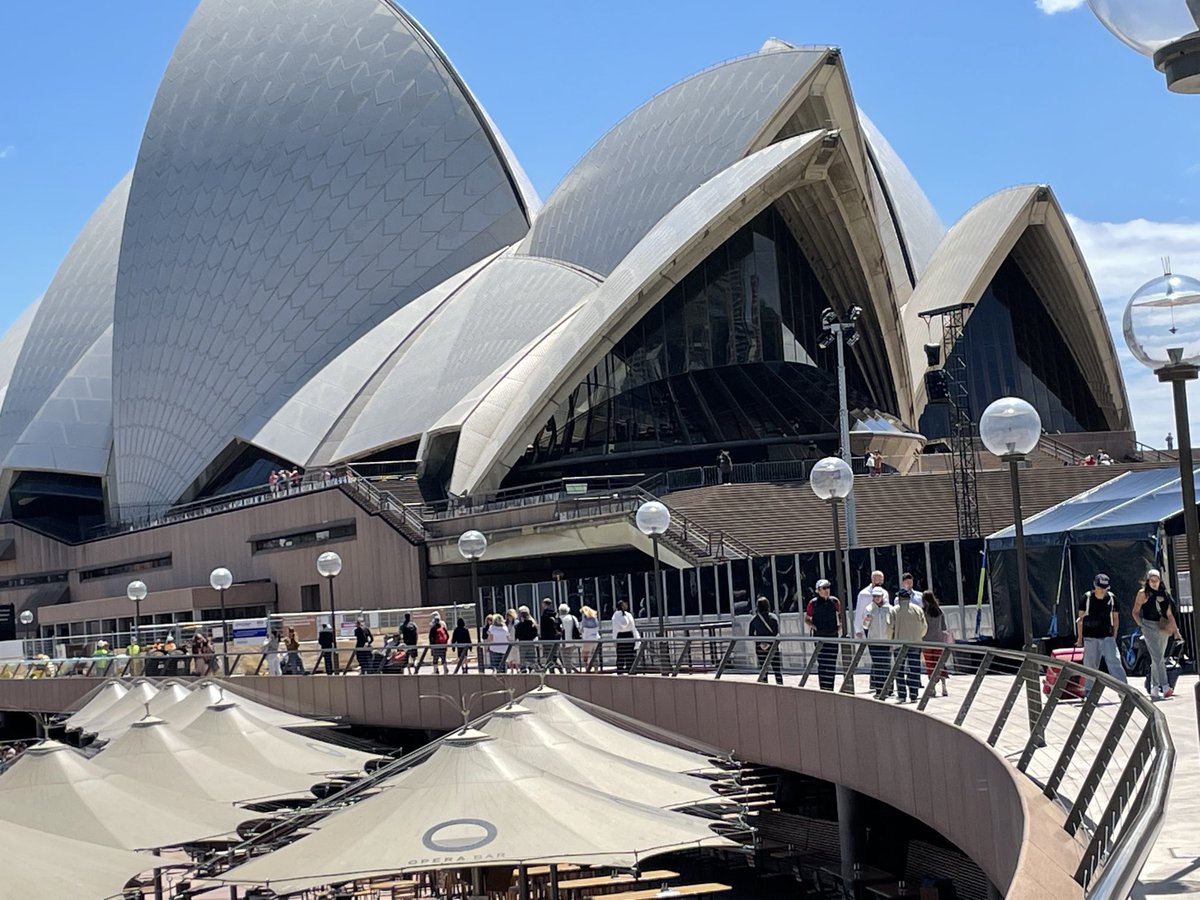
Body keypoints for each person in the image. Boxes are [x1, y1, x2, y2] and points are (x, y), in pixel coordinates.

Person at [1132, 569, 1179, 700]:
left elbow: (1169, 614)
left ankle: (1154, 687)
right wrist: (1142, 625)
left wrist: (1175, 630)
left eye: (1156, 580)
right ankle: (1165, 686)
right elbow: (1135, 611)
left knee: (1157, 658)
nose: (1154, 583)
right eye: (1151, 580)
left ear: (1160, 581)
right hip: (1148, 625)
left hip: (1162, 626)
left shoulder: (1164, 594)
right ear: (1147, 581)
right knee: (1158, 656)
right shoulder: (1143, 594)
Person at [1076, 574, 1128, 689]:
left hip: (1107, 636)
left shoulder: (1112, 598)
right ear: (1095, 586)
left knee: (1115, 662)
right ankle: (1089, 691)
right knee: (1090, 665)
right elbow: (1080, 620)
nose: (1102, 590)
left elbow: (1115, 618)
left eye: (1104, 588)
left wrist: (1114, 635)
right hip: (1090, 636)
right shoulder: (1087, 598)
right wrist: (1080, 638)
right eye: (1099, 588)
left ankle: (1124, 691)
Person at [888, 589, 927, 703]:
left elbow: (890, 627)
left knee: (899, 669)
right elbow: (924, 627)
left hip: (899, 644)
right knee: (914, 668)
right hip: (915, 643)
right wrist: (918, 636)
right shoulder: (917, 609)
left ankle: (902, 694)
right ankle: (914, 694)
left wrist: (890, 641)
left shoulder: (894, 610)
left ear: (899, 599)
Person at [804, 579, 843, 691]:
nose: (827, 590)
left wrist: (840, 625)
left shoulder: (835, 601)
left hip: (833, 636)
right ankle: (823, 687)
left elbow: (840, 614)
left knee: (832, 662)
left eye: (828, 588)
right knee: (822, 663)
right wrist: (815, 627)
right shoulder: (813, 603)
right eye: (824, 588)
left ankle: (830, 687)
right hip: (820, 638)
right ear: (818, 590)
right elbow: (807, 619)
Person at [861, 587, 892, 694]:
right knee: (877, 664)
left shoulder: (889, 608)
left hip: (886, 641)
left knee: (887, 664)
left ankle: (888, 688)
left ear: (882, 596)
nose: (877, 598)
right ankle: (879, 689)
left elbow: (892, 623)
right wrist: (866, 621)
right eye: (874, 596)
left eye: (878, 596)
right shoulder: (869, 608)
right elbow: (865, 626)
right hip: (874, 641)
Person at [748, 596, 784, 685]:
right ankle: (780, 686)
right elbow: (776, 632)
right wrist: (768, 643)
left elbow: (751, 635)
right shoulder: (773, 618)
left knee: (763, 669)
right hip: (773, 646)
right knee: (777, 669)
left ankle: (765, 687)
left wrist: (761, 643)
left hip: (760, 647)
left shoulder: (754, 620)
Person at [920, 591, 950, 695]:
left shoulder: (922, 612)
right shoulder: (939, 611)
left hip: (926, 642)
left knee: (930, 665)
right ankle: (944, 687)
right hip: (939, 642)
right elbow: (944, 627)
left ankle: (932, 688)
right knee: (940, 664)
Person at [854, 571, 888, 638]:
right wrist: (858, 630)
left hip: (882, 628)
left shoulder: (885, 593)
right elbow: (859, 612)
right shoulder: (863, 594)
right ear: (872, 579)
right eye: (877, 579)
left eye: (881, 580)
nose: (879, 582)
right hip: (868, 627)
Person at [611, 600, 640, 674]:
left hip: (620, 636)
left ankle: (620, 670)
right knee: (630, 653)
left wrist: (614, 640)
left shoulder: (615, 616)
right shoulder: (629, 615)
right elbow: (633, 627)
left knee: (621, 654)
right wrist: (636, 637)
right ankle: (630, 669)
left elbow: (615, 629)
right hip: (629, 635)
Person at [514, 606, 539, 672]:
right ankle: (532, 670)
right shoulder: (532, 624)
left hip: (522, 643)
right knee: (532, 658)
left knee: (523, 658)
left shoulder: (519, 625)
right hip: (531, 642)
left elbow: (517, 635)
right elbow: (535, 634)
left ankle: (523, 671)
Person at [558, 604, 580, 672]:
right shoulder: (573, 617)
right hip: (573, 641)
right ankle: (575, 671)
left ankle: (570, 673)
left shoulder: (559, 619)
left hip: (563, 643)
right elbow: (577, 627)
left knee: (566, 660)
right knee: (568, 659)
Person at [579, 605, 602, 671]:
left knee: (584, 655)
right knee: (594, 655)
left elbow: (581, 629)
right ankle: (596, 669)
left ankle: (587, 668)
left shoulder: (585, 620)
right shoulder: (595, 619)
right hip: (596, 639)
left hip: (587, 639)